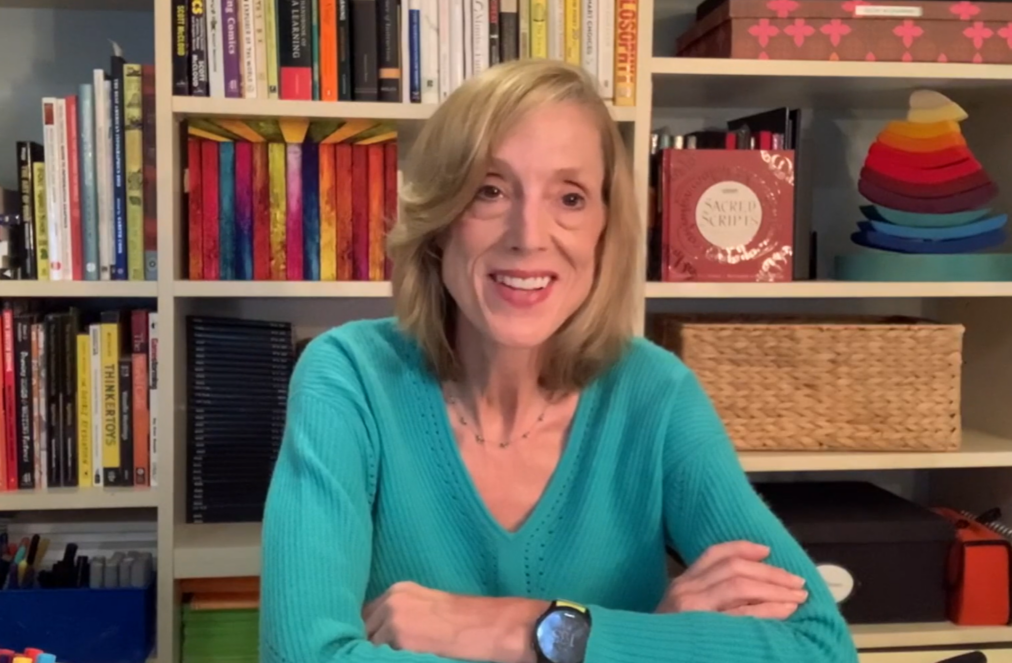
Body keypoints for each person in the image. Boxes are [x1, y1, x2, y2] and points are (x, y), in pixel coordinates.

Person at [259, 59, 858, 663]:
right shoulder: (350, 376)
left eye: (570, 197)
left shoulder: (654, 393)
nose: (529, 235)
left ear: (603, 228)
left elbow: (820, 649)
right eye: (489, 190)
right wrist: (648, 640)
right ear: (439, 220)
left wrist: (525, 629)